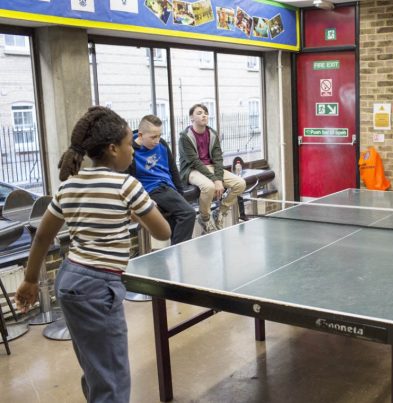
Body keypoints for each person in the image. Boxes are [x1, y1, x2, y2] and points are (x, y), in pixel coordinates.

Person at [15, 106, 171, 403]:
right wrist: (140, 212)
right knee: (112, 376)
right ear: (113, 149)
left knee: (95, 366)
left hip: (70, 281)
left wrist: (30, 280)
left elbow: (44, 236)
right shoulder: (127, 185)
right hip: (99, 286)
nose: (132, 151)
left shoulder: (68, 186)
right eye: (129, 145)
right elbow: (163, 231)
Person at [128, 115, 195, 245]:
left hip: (168, 188)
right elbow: (128, 180)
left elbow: (173, 169)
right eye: (153, 137)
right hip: (152, 190)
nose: (157, 140)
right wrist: (144, 199)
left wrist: (180, 194)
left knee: (177, 220)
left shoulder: (162, 144)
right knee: (188, 213)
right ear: (140, 135)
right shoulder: (130, 151)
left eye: (159, 136)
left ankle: (176, 256)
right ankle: (178, 252)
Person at [178, 103, 246, 234]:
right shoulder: (185, 137)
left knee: (240, 183)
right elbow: (195, 162)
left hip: (212, 167)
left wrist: (219, 179)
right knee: (209, 187)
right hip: (192, 170)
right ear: (191, 118)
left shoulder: (212, 134)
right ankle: (204, 218)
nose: (204, 115)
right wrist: (215, 180)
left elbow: (218, 158)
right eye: (199, 113)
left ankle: (220, 211)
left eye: (205, 112)